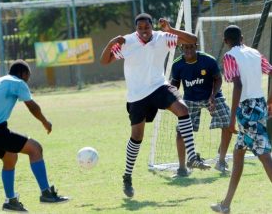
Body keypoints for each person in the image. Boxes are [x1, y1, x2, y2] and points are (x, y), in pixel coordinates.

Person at [100, 13, 211, 198]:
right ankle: (127, 176)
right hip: (137, 96)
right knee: (137, 137)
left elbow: (192, 39)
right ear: (136, 29)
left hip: (159, 86)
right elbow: (104, 61)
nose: (144, 31)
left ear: (152, 27)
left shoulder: (163, 38)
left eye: (147, 27)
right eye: (140, 28)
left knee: (183, 110)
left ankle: (191, 157)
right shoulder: (127, 42)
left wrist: (170, 29)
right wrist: (112, 41)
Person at [0, 60, 69, 212]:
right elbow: (32, 106)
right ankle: (46, 193)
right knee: (35, 149)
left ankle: (11, 201)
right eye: (28, 77)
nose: (28, 80)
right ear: (23, 74)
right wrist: (45, 122)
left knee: (10, 158)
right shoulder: (18, 82)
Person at [210, 25, 272, 213]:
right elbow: (271, 71)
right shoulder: (254, 52)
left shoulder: (230, 56)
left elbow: (237, 84)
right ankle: (226, 204)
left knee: (265, 157)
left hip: (246, 110)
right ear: (242, 37)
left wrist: (231, 119)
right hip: (259, 105)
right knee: (238, 154)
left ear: (225, 40)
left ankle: (225, 204)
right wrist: (269, 100)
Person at [171, 43, 233, 176]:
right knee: (181, 131)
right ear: (181, 48)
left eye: (191, 47)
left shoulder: (208, 60)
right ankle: (182, 169)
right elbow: (174, 84)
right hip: (190, 100)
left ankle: (221, 162)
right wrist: (173, 98)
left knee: (228, 124)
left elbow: (218, 79)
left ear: (196, 46)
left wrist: (213, 96)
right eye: (185, 47)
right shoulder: (177, 64)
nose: (188, 50)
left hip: (212, 96)